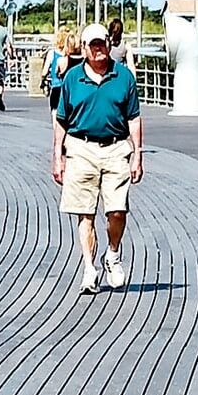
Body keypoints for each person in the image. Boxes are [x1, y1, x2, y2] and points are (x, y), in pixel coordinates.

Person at [52, 23, 144, 296]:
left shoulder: (124, 77)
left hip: (116, 148)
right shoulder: (72, 78)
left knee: (117, 210)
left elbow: (134, 117)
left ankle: (112, 253)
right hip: (81, 147)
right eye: (92, 45)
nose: (98, 49)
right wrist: (58, 155)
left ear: (108, 44)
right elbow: (61, 120)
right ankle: (89, 268)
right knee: (85, 212)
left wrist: (137, 155)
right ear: (84, 48)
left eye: (102, 43)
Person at [43, 25, 75, 112]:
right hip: (70, 89)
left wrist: (43, 81)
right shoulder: (72, 56)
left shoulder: (52, 53)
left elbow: (44, 71)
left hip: (56, 87)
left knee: (55, 113)